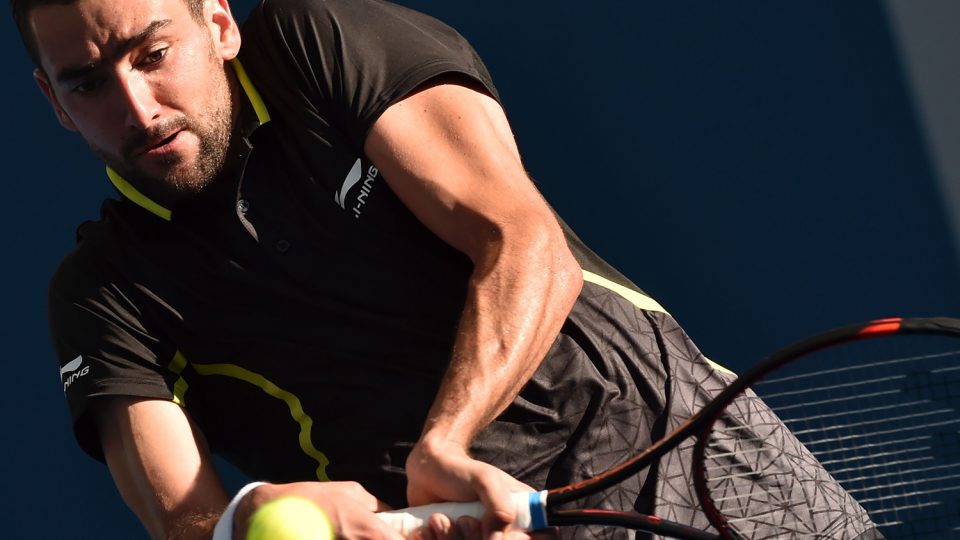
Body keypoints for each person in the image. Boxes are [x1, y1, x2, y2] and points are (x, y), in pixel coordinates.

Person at [13, 0, 881, 538]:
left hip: (667, 444)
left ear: (219, 22)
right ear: (54, 103)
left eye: (152, 53)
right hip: (454, 533)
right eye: (87, 83)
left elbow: (519, 239)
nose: (135, 105)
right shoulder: (103, 293)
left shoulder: (320, 44)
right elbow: (183, 519)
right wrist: (248, 521)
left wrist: (447, 441)